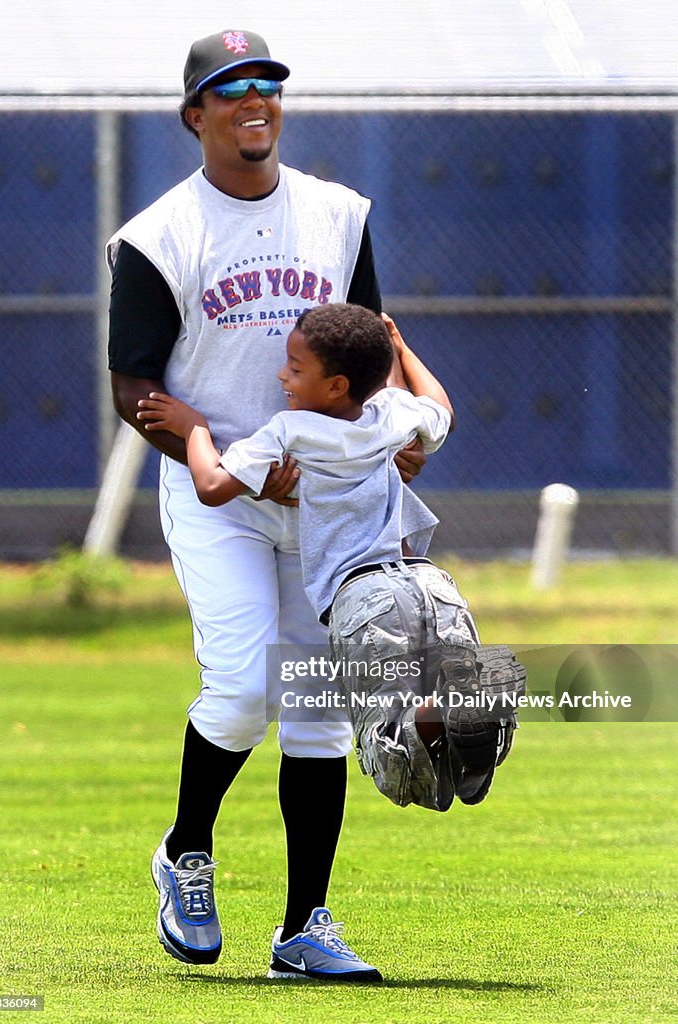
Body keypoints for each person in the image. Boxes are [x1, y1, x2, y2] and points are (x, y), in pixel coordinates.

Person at [107, 29, 424, 982]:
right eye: (231, 87)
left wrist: (393, 436)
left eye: (269, 84)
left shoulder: (337, 214)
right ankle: (186, 851)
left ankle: (303, 928)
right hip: (219, 495)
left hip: (326, 498)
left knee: (319, 708)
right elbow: (135, 392)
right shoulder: (160, 237)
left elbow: (370, 351)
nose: (256, 98)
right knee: (246, 687)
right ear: (195, 114)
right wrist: (230, 454)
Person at [137, 305, 525, 824]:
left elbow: (210, 486)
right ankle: (462, 707)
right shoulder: (392, 413)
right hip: (420, 578)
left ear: (337, 385)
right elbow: (441, 408)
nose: (282, 375)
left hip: (358, 600)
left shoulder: (292, 431)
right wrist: (400, 348)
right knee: (420, 675)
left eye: (295, 368)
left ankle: (437, 719)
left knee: (385, 736)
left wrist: (195, 428)